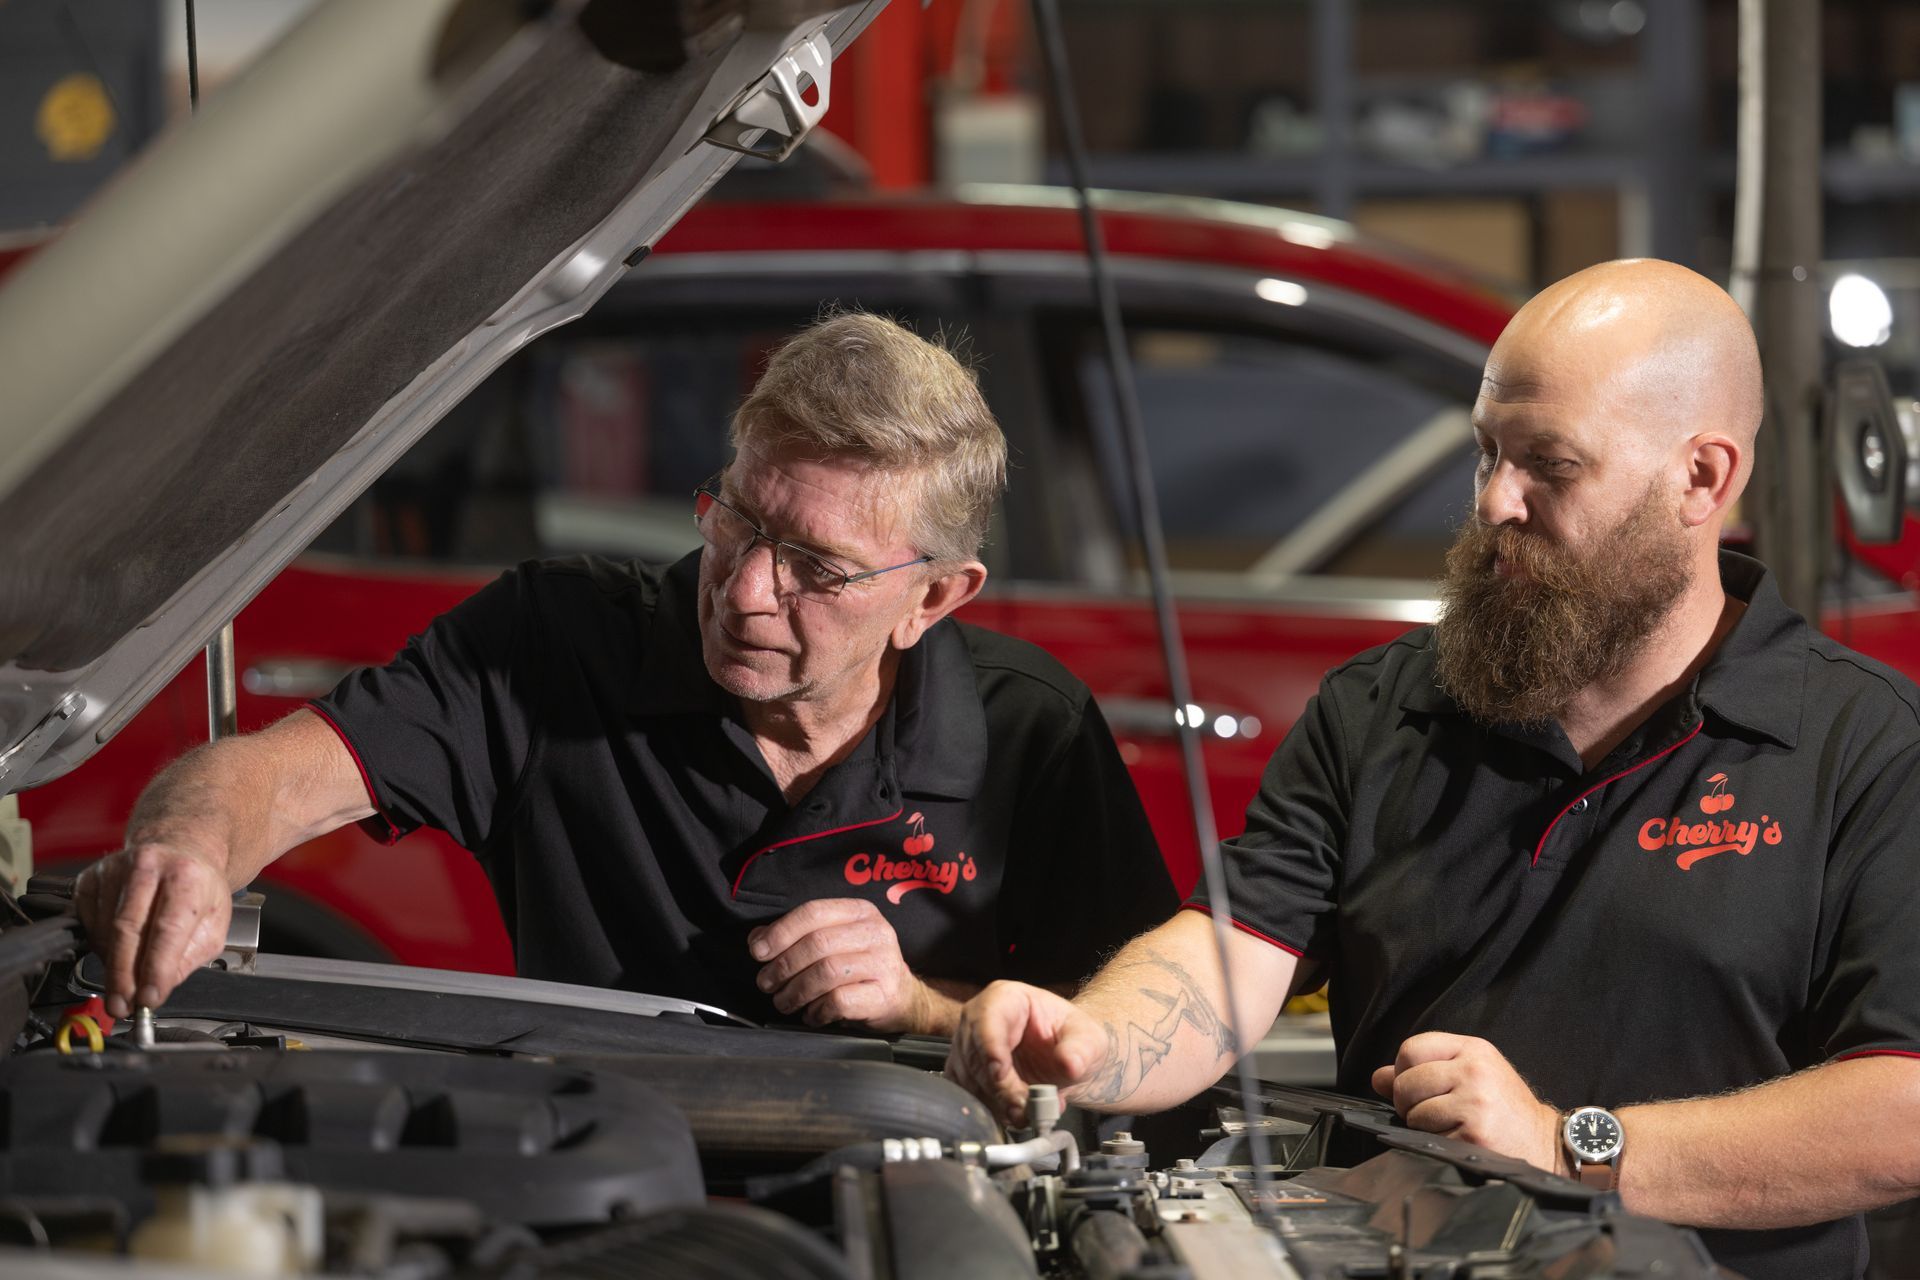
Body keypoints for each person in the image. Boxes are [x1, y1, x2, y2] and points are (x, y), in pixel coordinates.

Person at [946, 260, 1920, 1280]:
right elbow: (1229, 956)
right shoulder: (1382, 708)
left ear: (1702, 478)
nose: (1498, 499)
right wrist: (1090, 1040)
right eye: (1487, 451)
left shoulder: (1862, 745)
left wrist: (1572, 1143)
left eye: (1551, 462)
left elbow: (1900, 1107)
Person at [75, 311, 1177, 1036]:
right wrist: (188, 852)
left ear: (933, 597)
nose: (746, 590)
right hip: (598, 1189)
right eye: (737, 522)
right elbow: (269, 773)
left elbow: (1124, 1047)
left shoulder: (1027, 729)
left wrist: (921, 1009)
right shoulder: (553, 643)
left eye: (816, 569)